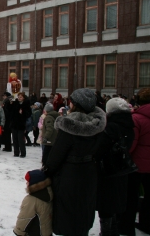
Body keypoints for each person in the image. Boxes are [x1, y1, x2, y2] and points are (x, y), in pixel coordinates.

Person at [43, 88, 107, 236]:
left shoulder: (69, 125)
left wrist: (47, 170)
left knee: (68, 211)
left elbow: (56, 154)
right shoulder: (99, 124)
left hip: (69, 174)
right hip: (89, 172)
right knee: (84, 208)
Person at [94, 98, 135, 236]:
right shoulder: (129, 124)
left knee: (106, 205)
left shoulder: (111, 126)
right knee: (116, 203)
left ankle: (107, 232)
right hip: (122, 169)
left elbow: (100, 149)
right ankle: (114, 230)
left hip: (107, 170)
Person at [118, 87, 150, 235]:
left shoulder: (136, 118)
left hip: (137, 165)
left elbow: (132, 144)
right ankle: (148, 223)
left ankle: (126, 226)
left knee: (131, 197)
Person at [13, 169, 53, 236]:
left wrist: (19, 231)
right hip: (47, 232)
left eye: (28, 182)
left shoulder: (31, 200)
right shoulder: (49, 194)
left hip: (34, 232)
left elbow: (24, 218)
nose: (26, 183)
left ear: (34, 184)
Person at [11, 92, 31, 158]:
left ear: (23, 98)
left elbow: (29, 114)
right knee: (15, 139)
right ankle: (16, 152)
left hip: (21, 125)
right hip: (14, 124)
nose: (19, 98)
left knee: (21, 139)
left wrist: (23, 112)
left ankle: (23, 153)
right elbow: (11, 112)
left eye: (21, 97)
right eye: (18, 97)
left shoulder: (26, 104)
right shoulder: (15, 103)